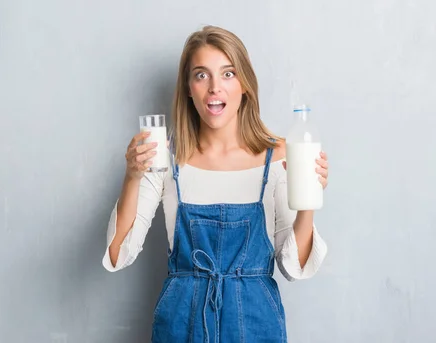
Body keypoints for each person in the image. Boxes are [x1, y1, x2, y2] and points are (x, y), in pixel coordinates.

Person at [102, 25, 329, 343]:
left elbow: (294, 267)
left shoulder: (278, 157)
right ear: (189, 88)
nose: (214, 88)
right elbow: (118, 254)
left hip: (255, 325)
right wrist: (132, 175)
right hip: (180, 325)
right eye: (201, 75)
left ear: (245, 85)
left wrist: (308, 200)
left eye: (228, 74)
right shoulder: (164, 156)